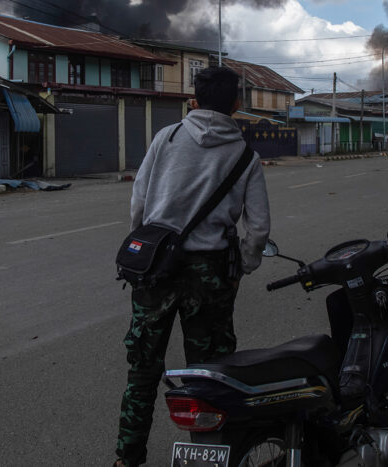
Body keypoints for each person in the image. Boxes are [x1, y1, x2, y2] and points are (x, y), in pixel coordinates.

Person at [114, 65, 271, 467]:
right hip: (211, 276)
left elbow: (139, 203)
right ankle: (212, 456)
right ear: (237, 104)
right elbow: (258, 227)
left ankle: (127, 460)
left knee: (143, 372)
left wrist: (145, 251)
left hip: (156, 270)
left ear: (194, 101)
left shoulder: (165, 138)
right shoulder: (246, 156)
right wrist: (243, 269)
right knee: (212, 375)